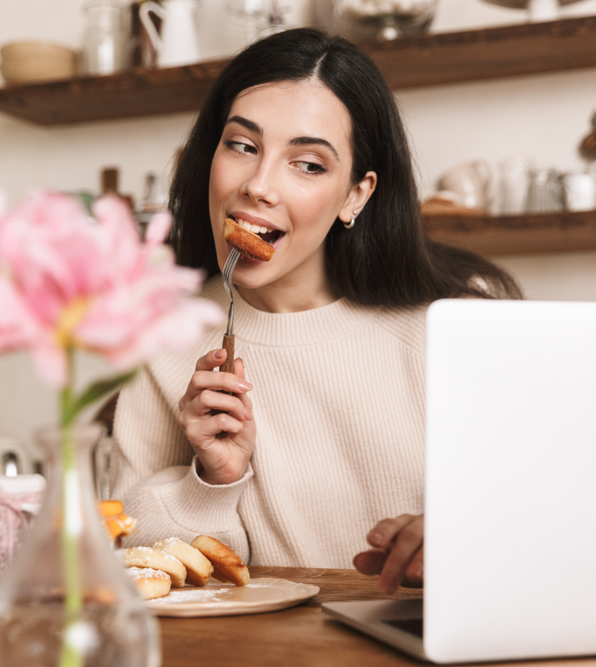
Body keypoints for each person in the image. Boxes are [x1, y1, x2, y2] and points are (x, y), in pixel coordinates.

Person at [109, 27, 521, 593]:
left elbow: (538, 518)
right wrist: (211, 481)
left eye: (307, 164)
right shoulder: (168, 335)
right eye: (243, 146)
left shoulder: (455, 322)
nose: (259, 186)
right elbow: (131, 557)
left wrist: (462, 535)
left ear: (357, 194)